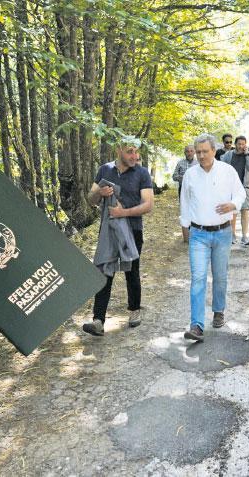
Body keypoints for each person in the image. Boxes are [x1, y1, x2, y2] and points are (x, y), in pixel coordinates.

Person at [82, 136, 154, 336]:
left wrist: (124, 213)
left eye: (136, 152)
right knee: (104, 270)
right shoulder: (105, 170)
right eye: (130, 151)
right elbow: (91, 199)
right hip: (109, 230)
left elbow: (148, 205)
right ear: (119, 150)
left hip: (133, 229)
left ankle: (134, 311)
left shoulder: (142, 173)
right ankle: (98, 320)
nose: (134, 156)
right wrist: (101, 194)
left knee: (132, 271)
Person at [179, 134, 246, 342]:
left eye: (204, 152)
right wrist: (185, 228)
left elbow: (241, 194)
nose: (200, 156)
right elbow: (185, 202)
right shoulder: (190, 174)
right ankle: (196, 325)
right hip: (198, 234)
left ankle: (218, 310)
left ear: (214, 150)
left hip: (223, 232)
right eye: (197, 152)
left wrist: (233, 205)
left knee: (220, 276)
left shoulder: (228, 171)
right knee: (198, 278)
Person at [218, 136, 249, 246]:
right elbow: (220, 164)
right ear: (235, 144)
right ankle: (232, 235)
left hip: (243, 188)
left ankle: (244, 236)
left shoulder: (247, 155)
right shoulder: (229, 154)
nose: (241, 146)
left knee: (245, 210)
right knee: (233, 212)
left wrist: (247, 154)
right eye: (239, 144)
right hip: (230, 187)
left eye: (243, 144)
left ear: (245, 145)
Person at [172, 145, 198, 242]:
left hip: (196, 190)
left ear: (194, 152)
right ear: (184, 153)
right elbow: (174, 176)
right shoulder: (180, 163)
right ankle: (187, 235)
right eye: (187, 151)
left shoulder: (198, 163)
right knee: (185, 209)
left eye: (191, 151)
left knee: (195, 208)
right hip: (183, 190)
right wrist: (181, 178)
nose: (189, 153)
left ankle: (194, 231)